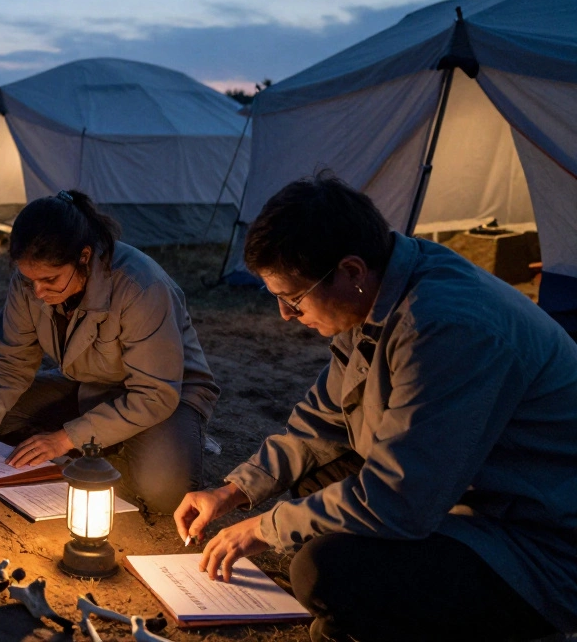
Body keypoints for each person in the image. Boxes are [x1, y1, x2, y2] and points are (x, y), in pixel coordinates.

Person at [173, 174, 577, 642]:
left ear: (351, 270)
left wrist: (266, 528)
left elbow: (399, 499)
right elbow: (320, 425)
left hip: (539, 542)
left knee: (323, 570)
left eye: (293, 298)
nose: (286, 316)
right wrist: (234, 492)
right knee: (312, 474)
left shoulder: (444, 327)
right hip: (462, 491)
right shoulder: (375, 295)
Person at [0, 191, 219, 512]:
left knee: (165, 493)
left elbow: (155, 394)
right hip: (91, 384)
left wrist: (64, 439)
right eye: (29, 279)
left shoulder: (139, 286)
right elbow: (9, 359)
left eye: (50, 280)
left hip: (167, 395)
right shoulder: (32, 281)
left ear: (84, 257)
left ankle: (167, 439)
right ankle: (106, 439)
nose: (37, 291)